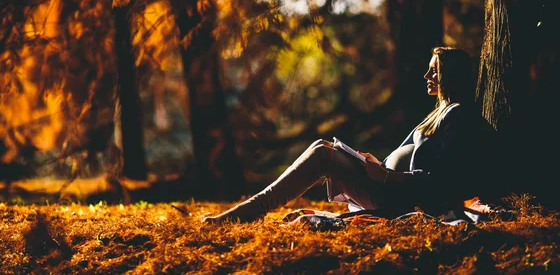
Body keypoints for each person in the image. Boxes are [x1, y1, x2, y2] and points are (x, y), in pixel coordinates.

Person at [202, 46, 483, 224]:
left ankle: (250, 211)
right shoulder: (439, 111)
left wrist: (386, 176)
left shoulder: (458, 115)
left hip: (399, 196)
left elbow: (446, 179)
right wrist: (377, 163)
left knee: (323, 154)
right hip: (387, 184)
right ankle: (251, 209)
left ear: (450, 76)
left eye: (433, 71)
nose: (426, 76)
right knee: (323, 146)